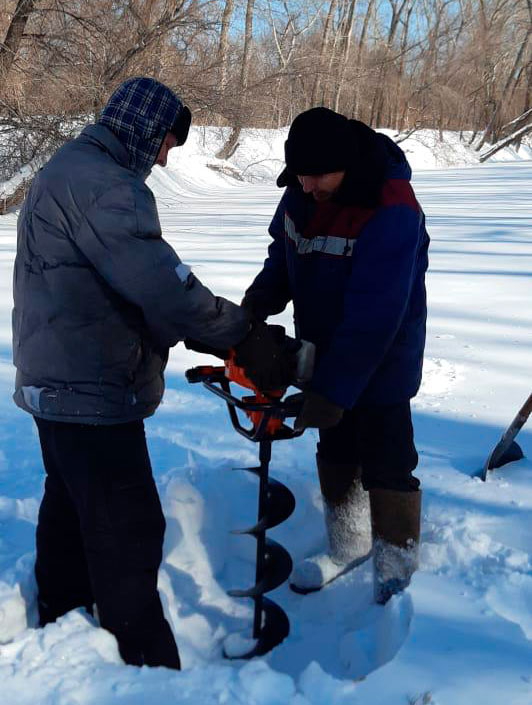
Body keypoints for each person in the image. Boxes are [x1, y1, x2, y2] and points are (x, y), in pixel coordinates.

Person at [11, 77, 294, 669]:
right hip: (90, 389)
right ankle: (147, 667)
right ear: (143, 131)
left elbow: (127, 288)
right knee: (129, 528)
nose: (165, 158)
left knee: (68, 509)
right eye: (165, 143)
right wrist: (241, 333)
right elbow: (162, 287)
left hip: (55, 381)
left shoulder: (70, 165)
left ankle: (63, 625)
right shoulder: (106, 187)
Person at [241, 107, 429, 603]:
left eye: (317, 174)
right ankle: (348, 546)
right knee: (337, 448)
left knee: (387, 457)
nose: (307, 185)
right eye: (299, 175)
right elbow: (282, 257)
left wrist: (333, 389)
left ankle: (396, 569)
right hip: (324, 347)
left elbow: (375, 317)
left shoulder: (393, 207)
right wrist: (256, 306)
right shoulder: (301, 195)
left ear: (348, 166)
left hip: (385, 354)